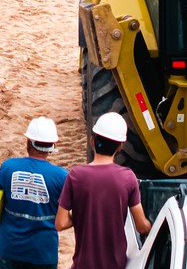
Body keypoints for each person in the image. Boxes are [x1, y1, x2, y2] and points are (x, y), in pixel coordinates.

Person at [55, 112, 148, 269]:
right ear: (120, 147)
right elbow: (141, 226)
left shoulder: (76, 175)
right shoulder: (128, 178)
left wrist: (82, 215)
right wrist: (151, 227)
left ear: (92, 141)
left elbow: (60, 223)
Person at [0, 118, 70, 269]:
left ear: (28, 141)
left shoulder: (8, 167)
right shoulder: (62, 176)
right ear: (53, 145)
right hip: (43, 253)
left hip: (10, 248)